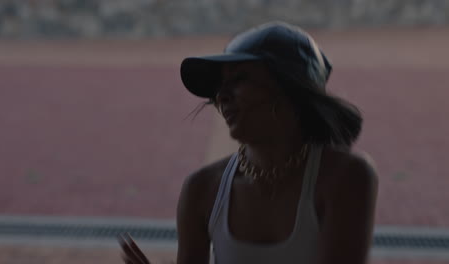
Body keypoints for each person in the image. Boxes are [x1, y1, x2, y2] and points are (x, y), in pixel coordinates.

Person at [120, 21, 378, 264]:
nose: (221, 96)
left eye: (240, 79)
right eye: (221, 85)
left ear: (287, 90)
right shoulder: (201, 189)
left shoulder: (345, 177)